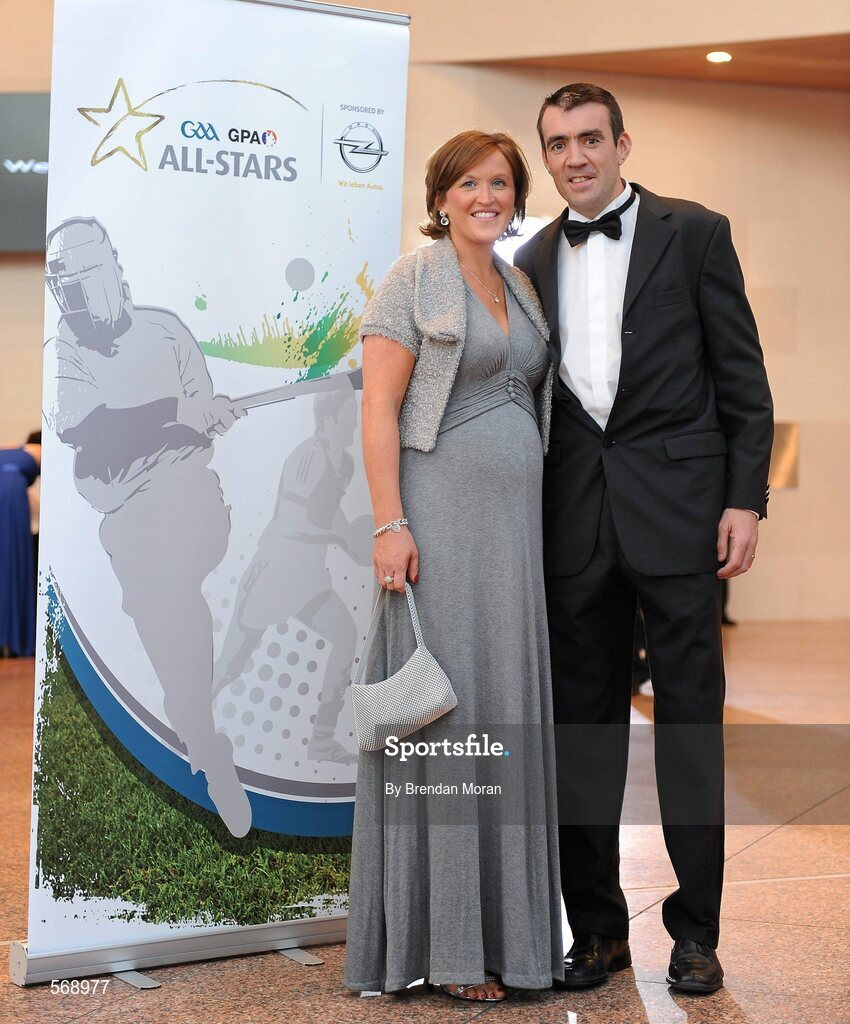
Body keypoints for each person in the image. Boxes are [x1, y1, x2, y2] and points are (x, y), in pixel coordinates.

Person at [514, 84, 773, 994]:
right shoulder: (530, 257)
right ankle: (596, 931)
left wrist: (745, 501)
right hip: (575, 523)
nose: (575, 157)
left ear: (623, 144)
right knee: (581, 733)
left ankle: (696, 934)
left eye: (590, 139)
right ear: (546, 157)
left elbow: (743, 381)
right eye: (558, 144)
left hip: (681, 517)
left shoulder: (694, 232)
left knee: (690, 728)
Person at [342, 131, 563, 1001]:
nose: (486, 196)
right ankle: (452, 948)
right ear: (441, 197)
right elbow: (378, 411)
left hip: (515, 534)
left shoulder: (519, 283)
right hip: (438, 520)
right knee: (450, 712)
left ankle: (515, 940)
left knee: (505, 705)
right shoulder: (412, 279)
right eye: (469, 182)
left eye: (500, 183)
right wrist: (390, 522)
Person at [44, 216, 252, 837]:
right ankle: (201, 738)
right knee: (158, 600)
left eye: (84, 278)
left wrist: (203, 415)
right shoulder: (63, 352)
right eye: (64, 286)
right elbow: (90, 428)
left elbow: (197, 410)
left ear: (112, 269)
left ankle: (197, 732)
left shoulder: (165, 330)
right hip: (126, 515)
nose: (75, 296)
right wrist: (178, 413)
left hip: (191, 495)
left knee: (166, 583)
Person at [214, 385, 371, 765]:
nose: (353, 424)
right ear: (328, 419)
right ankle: (191, 722)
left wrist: (353, 542)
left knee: (346, 634)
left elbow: (329, 513)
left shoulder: (344, 464)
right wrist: (341, 537)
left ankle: (321, 740)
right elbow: (291, 522)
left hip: (309, 580)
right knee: (232, 665)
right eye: (347, 417)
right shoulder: (307, 458)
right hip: (274, 573)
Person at [0, 437, 41, 657]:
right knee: (12, 567)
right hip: (12, 499)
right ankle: (15, 637)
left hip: (12, 496)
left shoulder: (12, 451)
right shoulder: (38, 451)